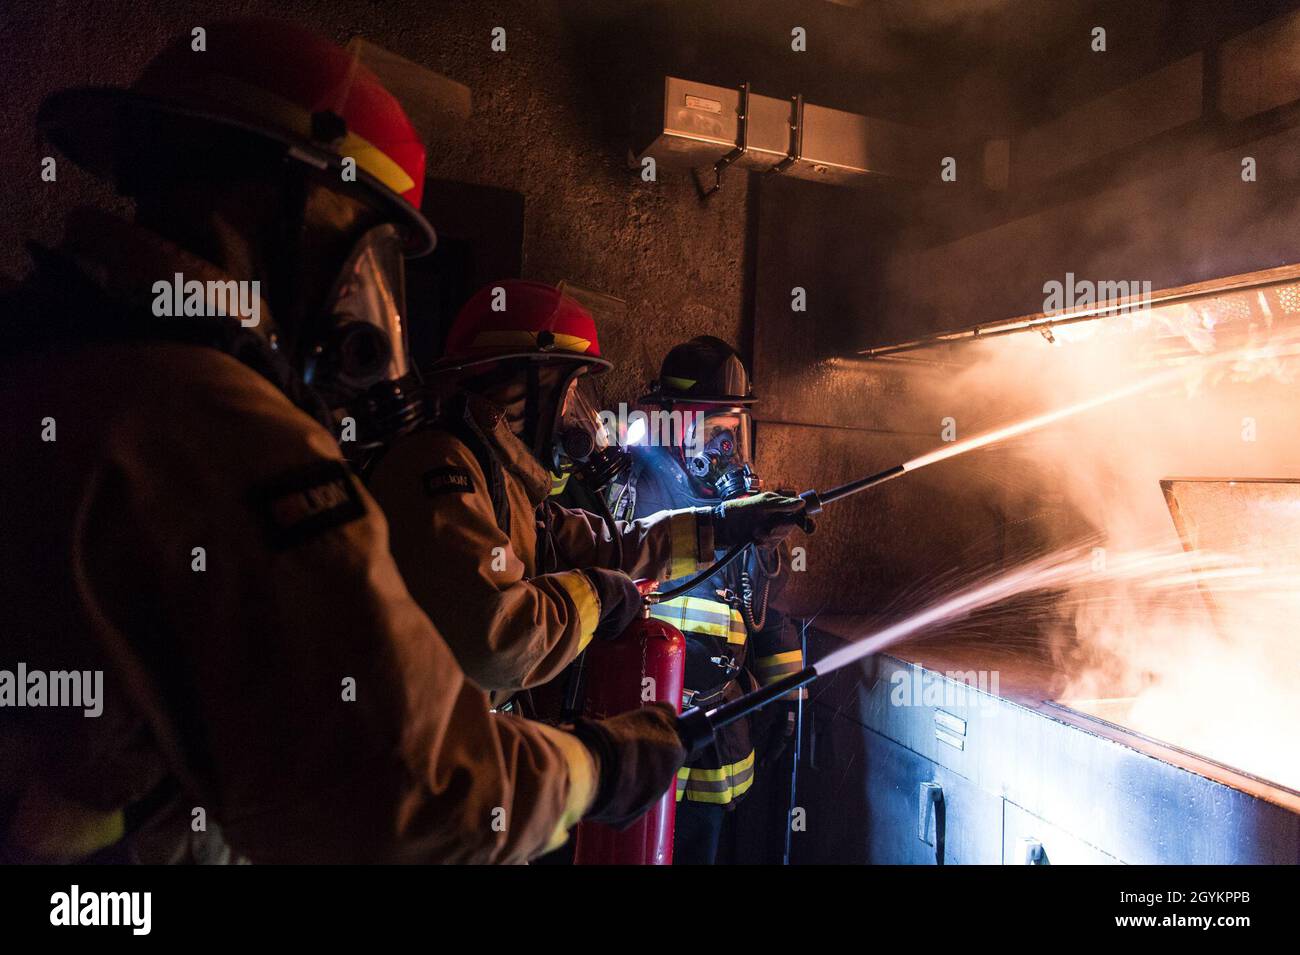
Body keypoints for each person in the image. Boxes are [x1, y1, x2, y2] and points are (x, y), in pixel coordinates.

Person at [0, 18, 683, 864]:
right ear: (278, 203)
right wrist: (599, 767)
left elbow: (573, 542)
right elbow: (418, 785)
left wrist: (696, 541)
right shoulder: (227, 429)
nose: (365, 292)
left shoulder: (68, 358)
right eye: (360, 240)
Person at [365, 281, 810, 702]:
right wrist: (596, 595)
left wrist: (725, 524)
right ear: (524, 387)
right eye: (571, 389)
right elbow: (496, 641)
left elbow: (606, 546)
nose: (578, 414)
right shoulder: (444, 469)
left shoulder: (506, 484)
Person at [612, 337, 806, 864]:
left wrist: (785, 701)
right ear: (673, 426)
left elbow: (766, 615)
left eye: (732, 431)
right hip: (640, 755)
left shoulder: (741, 509)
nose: (724, 447)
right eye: (712, 429)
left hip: (716, 753)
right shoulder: (632, 499)